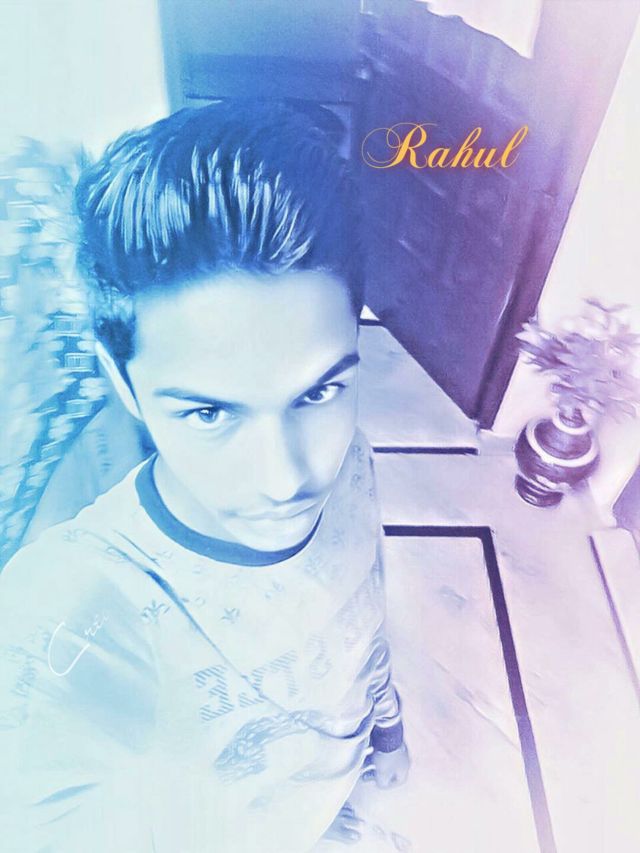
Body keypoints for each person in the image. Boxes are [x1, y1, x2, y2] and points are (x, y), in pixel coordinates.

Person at [0, 100, 409, 853]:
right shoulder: (75, 608)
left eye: (319, 391)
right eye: (210, 413)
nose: (287, 478)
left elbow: (365, 612)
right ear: (123, 384)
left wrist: (385, 728)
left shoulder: (351, 459)